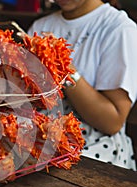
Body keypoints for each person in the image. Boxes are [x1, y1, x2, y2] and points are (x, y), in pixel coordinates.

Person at [27, 0, 137, 170]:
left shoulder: (119, 29)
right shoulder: (41, 25)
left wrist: (64, 68)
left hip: (95, 149)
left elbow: (112, 122)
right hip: (40, 139)